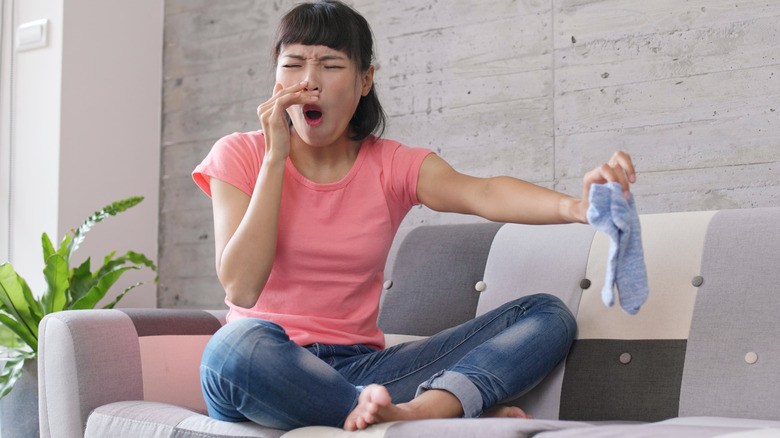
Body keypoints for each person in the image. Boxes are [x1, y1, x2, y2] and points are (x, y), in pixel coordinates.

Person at [192, 0, 636, 432]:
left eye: (330, 65)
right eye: (293, 65)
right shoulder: (240, 154)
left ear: (365, 80)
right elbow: (241, 288)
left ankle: (416, 411)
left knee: (547, 314)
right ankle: (411, 414)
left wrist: (575, 208)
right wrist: (275, 160)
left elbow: (482, 191)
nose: (309, 81)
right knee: (233, 347)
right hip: (267, 368)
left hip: (367, 371)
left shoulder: (390, 164)